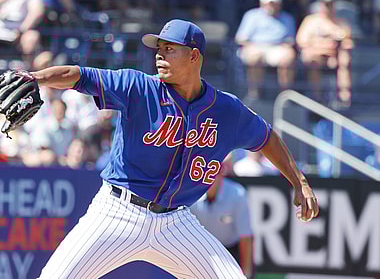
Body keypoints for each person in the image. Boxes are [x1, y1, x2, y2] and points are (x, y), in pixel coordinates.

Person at [21, 19, 318, 278]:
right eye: (158, 49)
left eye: (169, 49)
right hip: (117, 212)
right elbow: (80, 75)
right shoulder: (138, 87)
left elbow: (267, 138)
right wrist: (36, 78)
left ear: (194, 56)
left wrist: (299, 180)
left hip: (175, 222)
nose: (159, 55)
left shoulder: (226, 110)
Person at [190, 154, 254, 278]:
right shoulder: (191, 195)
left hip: (229, 251)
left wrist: (245, 273)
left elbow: (245, 237)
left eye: (215, 172)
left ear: (222, 174)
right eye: (206, 173)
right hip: (201, 250)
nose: (211, 178)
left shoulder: (238, 194)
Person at [296, 0, 353, 106]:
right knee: (313, 59)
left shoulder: (341, 23)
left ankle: (344, 98)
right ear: (321, 5)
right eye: (326, 4)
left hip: (333, 57)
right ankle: (316, 98)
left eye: (330, 4)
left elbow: (348, 43)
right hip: (315, 55)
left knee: (344, 58)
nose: (328, 7)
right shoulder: (311, 21)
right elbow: (301, 41)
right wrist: (323, 45)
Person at [235, 0, 296, 98]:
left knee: (289, 56)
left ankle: (285, 95)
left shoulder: (287, 18)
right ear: (262, 3)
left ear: (279, 4)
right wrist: (251, 46)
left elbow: (290, 40)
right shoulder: (251, 16)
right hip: (255, 47)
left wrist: (286, 46)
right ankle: (254, 93)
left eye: (274, 3)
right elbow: (240, 38)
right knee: (254, 57)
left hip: (278, 48)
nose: (271, 6)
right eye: (269, 3)